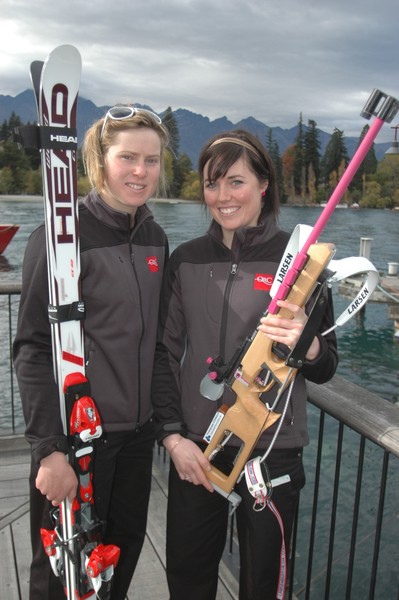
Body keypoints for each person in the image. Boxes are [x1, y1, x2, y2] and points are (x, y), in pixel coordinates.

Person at [152, 129, 338, 600]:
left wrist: (307, 344)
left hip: (273, 449)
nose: (222, 196)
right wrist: (173, 437)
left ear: (263, 185)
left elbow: (326, 366)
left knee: (262, 587)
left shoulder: (303, 267)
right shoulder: (187, 260)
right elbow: (164, 352)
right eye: (212, 184)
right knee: (188, 580)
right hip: (198, 448)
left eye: (235, 182)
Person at [13, 105, 170, 600]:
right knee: (62, 571)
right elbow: (33, 347)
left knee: (119, 558)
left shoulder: (155, 238)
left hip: (137, 438)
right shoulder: (60, 236)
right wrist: (49, 449)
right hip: (80, 439)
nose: (140, 171)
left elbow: (162, 342)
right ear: (100, 161)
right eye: (128, 158)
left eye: (152, 159)